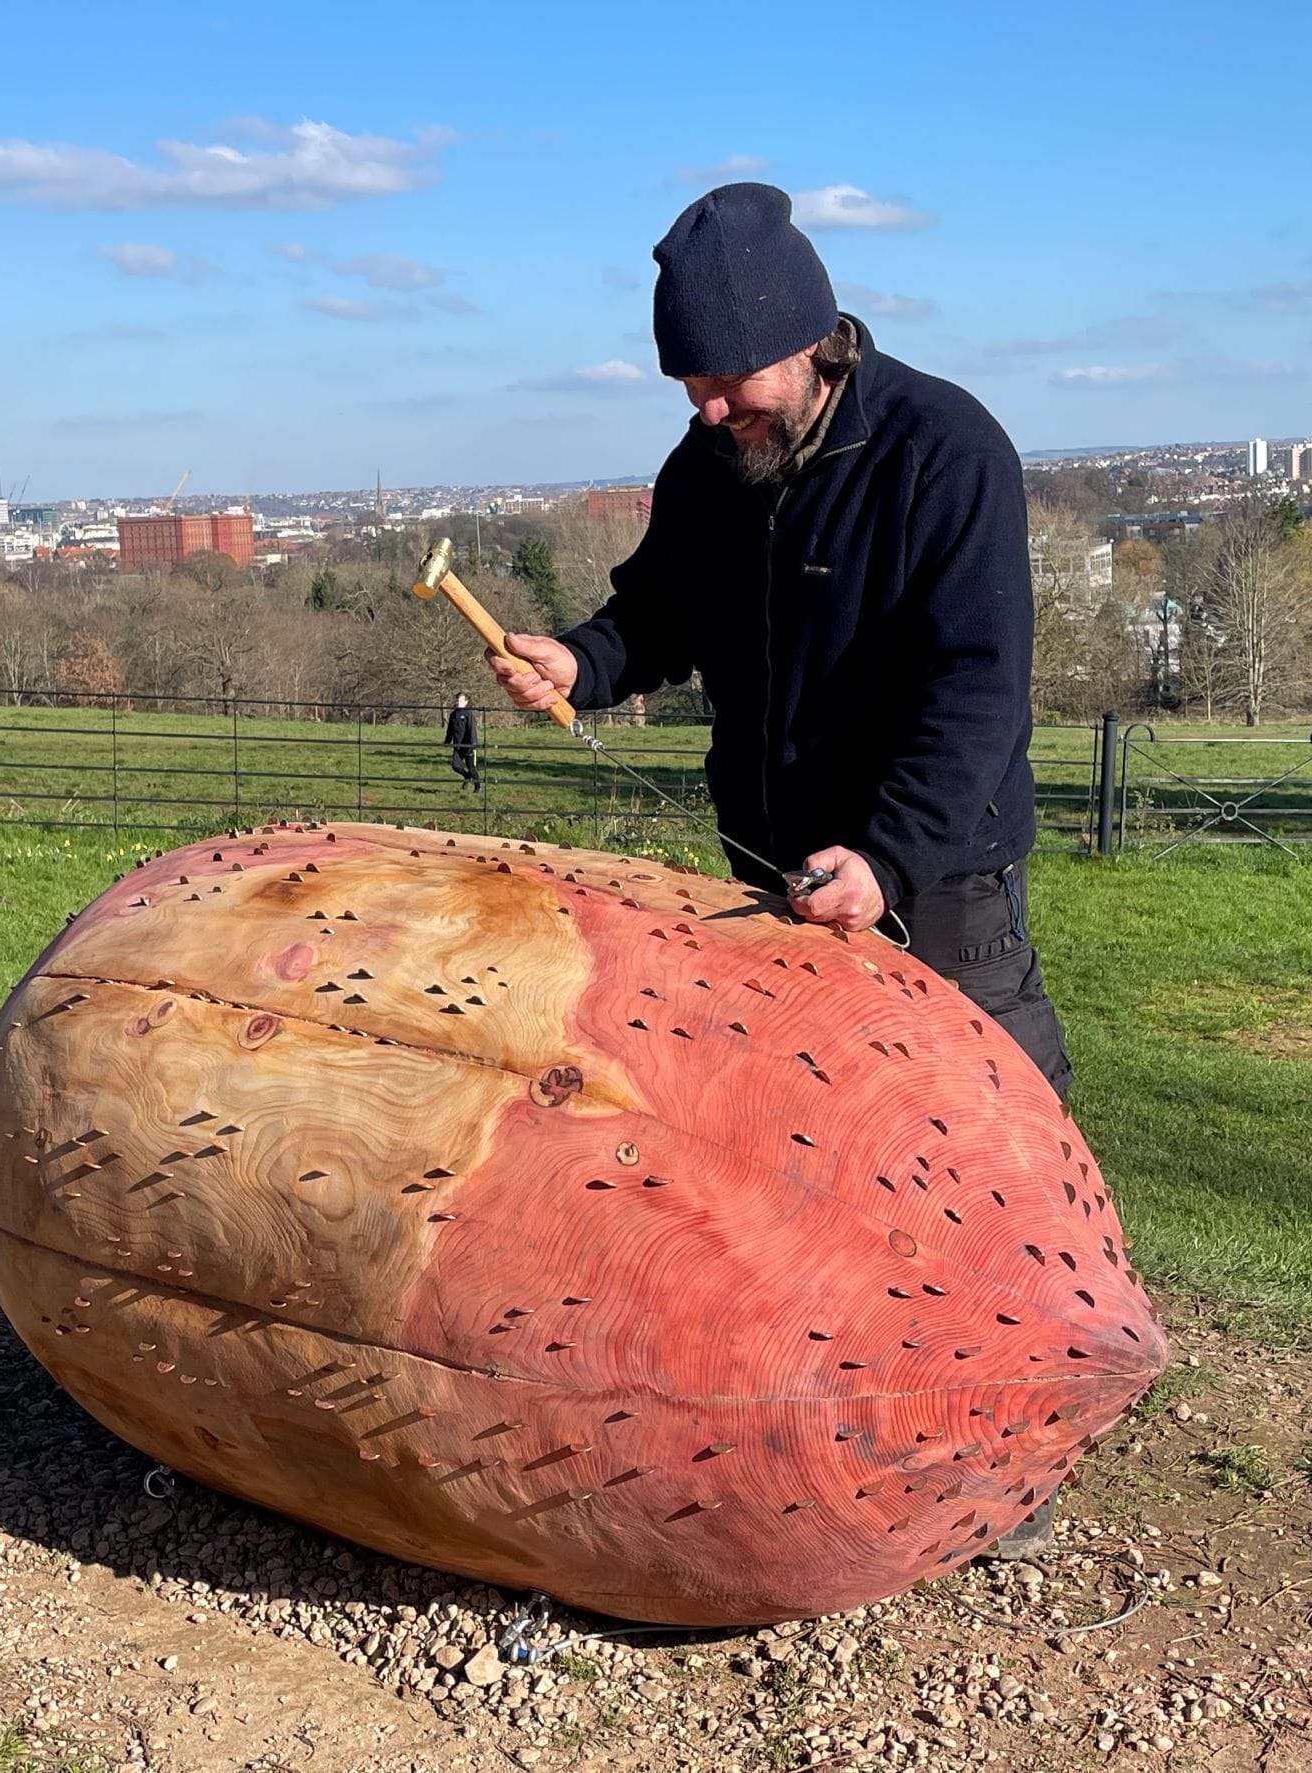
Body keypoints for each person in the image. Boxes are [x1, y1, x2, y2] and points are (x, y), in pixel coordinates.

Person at [490, 183, 1069, 1558]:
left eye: (725, 377)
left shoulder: (946, 453)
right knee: (815, 1162)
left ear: (810, 341)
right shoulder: (712, 470)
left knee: (986, 1163)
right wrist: (580, 661)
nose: (705, 407)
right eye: (686, 381)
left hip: (932, 881)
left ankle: (1022, 1449)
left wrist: (889, 854)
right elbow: (656, 616)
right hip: (769, 882)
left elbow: (979, 691)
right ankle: (846, 1416)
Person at [444, 691, 481, 792]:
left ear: (466, 702)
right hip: (457, 745)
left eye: (461, 701)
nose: (458, 702)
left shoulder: (469, 714)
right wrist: (447, 741)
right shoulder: (453, 714)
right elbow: (450, 729)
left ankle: (478, 787)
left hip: (468, 745)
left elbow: (471, 728)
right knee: (455, 766)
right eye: (457, 700)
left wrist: (474, 744)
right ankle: (467, 777)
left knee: (471, 767)